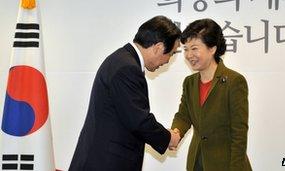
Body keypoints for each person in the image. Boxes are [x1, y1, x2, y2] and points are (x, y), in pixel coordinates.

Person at [69, 16, 181, 171]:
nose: (168, 60)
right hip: (105, 164)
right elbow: (139, 120)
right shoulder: (127, 68)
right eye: (171, 53)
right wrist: (169, 138)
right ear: (158, 47)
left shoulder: (122, 60)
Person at [171, 18, 252, 171]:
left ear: (212, 48)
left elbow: (239, 133)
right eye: (186, 49)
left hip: (226, 164)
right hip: (197, 162)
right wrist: (174, 134)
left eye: (194, 48)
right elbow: (183, 116)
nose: (189, 55)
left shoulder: (234, 81)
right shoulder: (189, 82)